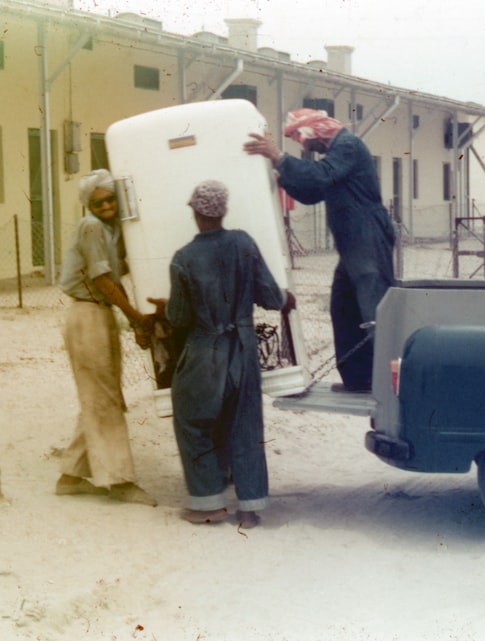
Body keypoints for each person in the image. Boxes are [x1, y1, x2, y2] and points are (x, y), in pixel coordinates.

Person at [156, 180, 295, 529]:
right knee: (245, 425)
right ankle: (249, 508)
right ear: (223, 211)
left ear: (195, 213)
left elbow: (179, 318)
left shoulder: (183, 258)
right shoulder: (244, 243)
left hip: (205, 350)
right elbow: (270, 297)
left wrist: (164, 307)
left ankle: (208, 504)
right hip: (244, 349)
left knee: (192, 420)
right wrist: (284, 297)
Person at [244, 108, 395, 392]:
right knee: (344, 307)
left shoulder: (347, 145)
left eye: (298, 135)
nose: (301, 143)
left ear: (313, 129)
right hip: (353, 243)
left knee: (374, 308)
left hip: (367, 237)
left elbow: (321, 176)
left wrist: (280, 158)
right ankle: (359, 380)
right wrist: (283, 174)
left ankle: (389, 381)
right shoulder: (336, 155)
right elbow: (312, 193)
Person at [56, 168, 157, 506]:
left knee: (103, 395)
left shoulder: (112, 231)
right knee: (104, 398)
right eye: (98, 201)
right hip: (87, 313)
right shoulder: (91, 227)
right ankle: (119, 480)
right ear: (88, 204)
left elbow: (120, 272)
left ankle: (71, 475)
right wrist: (135, 317)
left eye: (110, 198)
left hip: (99, 315)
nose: (106, 205)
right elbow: (102, 280)